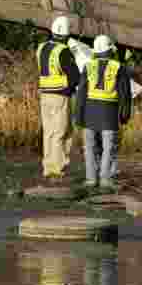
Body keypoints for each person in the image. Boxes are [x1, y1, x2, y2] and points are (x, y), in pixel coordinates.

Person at [74, 34, 132, 190]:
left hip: (89, 113)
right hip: (109, 113)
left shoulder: (88, 66)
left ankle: (91, 180)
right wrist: (125, 116)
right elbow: (125, 96)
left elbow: (81, 95)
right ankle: (105, 179)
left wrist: (78, 116)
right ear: (110, 50)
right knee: (109, 148)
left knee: (89, 147)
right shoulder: (119, 68)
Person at [37, 15, 81, 179]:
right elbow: (74, 76)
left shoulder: (41, 48)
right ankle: (57, 169)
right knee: (61, 131)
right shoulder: (63, 51)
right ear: (67, 34)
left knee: (49, 132)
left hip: (45, 95)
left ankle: (48, 167)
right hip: (60, 96)